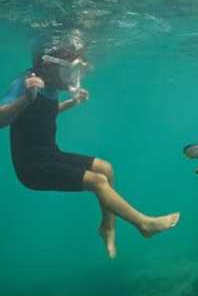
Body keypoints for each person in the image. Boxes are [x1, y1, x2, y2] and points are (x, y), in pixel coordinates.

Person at [1, 40, 180, 259]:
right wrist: (25, 99)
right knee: (98, 182)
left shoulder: (47, 86)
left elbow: (41, 114)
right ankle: (144, 224)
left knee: (106, 168)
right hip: (32, 168)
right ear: (48, 65)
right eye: (69, 70)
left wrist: (71, 103)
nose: (72, 76)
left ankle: (107, 227)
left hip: (50, 155)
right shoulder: (25, 84)